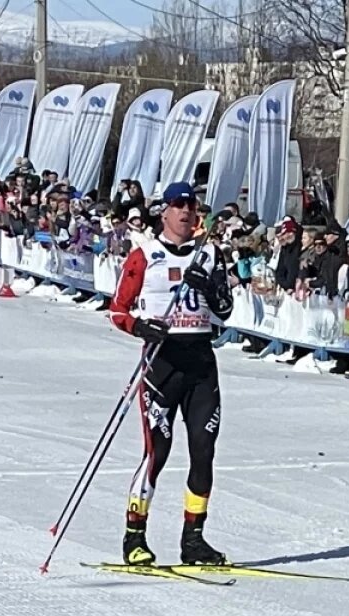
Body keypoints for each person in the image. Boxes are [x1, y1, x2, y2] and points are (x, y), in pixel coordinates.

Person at [108, 182, 234, 566]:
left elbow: (225, 311)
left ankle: (193, 539)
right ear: (164, 212)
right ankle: (135, 536)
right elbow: (117, 310)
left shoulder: (210, 254)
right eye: (178, 206)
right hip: (162, 363)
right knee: (156, 453)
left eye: (191, 206)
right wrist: (141, 328)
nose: (185, 212)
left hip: (199, 363)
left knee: (203, 451)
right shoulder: (144, 255)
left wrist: (210, 289)